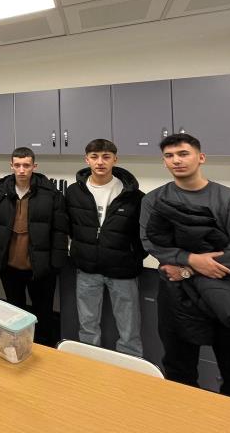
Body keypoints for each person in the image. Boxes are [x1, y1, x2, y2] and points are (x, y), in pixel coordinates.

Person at [140, 133, 230, 403]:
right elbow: (151, 243)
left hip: (227, 295)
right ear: (164, 162)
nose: (176, 160)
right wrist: (194, 259)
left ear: (201, 157)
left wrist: (188, 267)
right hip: (176, 297)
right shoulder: (154, 200)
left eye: (183, 153)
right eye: (169, 156)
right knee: (178, 370)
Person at [65, 139, 145, 357]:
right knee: (87, 326)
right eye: (94, 157)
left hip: (123, 271)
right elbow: (70, 226)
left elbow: (143, 233)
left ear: (115, 159)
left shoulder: (133, 195)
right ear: (87, 160)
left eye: (106, 157)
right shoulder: (74, 192)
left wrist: (133, 255)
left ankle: (130, 368)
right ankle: (90, 365)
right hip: (87, 269)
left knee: (129, 330)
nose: (100, 162)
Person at [0, 147, 68, 346]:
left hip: (39, 267)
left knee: (43, 313)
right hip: (9, 266)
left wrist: (55, 265)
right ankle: (17, 347)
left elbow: (60, 231)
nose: (22, 170)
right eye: (17, 165)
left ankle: (43, 349)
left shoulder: (50, 193)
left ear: (34, 166)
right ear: (11, 166)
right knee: (14, 311)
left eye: (26, 165)